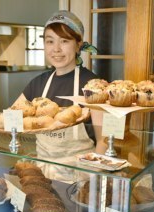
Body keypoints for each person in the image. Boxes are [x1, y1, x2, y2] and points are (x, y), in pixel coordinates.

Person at [14, 10, 99, 183]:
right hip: (42, 175)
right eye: (50, 41)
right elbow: (11, 120)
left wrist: (92, 182)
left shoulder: (93, 86)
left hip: (79, 178)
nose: (56, 49)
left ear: (78, 45)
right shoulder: (38, 83)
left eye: (64, 41)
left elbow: (104, 142)